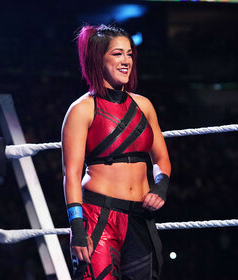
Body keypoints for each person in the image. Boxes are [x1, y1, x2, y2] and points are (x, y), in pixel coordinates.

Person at [61, 24, 171, 280]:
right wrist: (77, 228)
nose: (126, 61)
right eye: (117, 54)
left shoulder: (144, 105)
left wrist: (160, 186)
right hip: (99, 216)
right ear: (98, 59)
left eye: (129, 54)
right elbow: (72, 174)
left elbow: (162, 159)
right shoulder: (82, 109)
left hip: (140, 217)